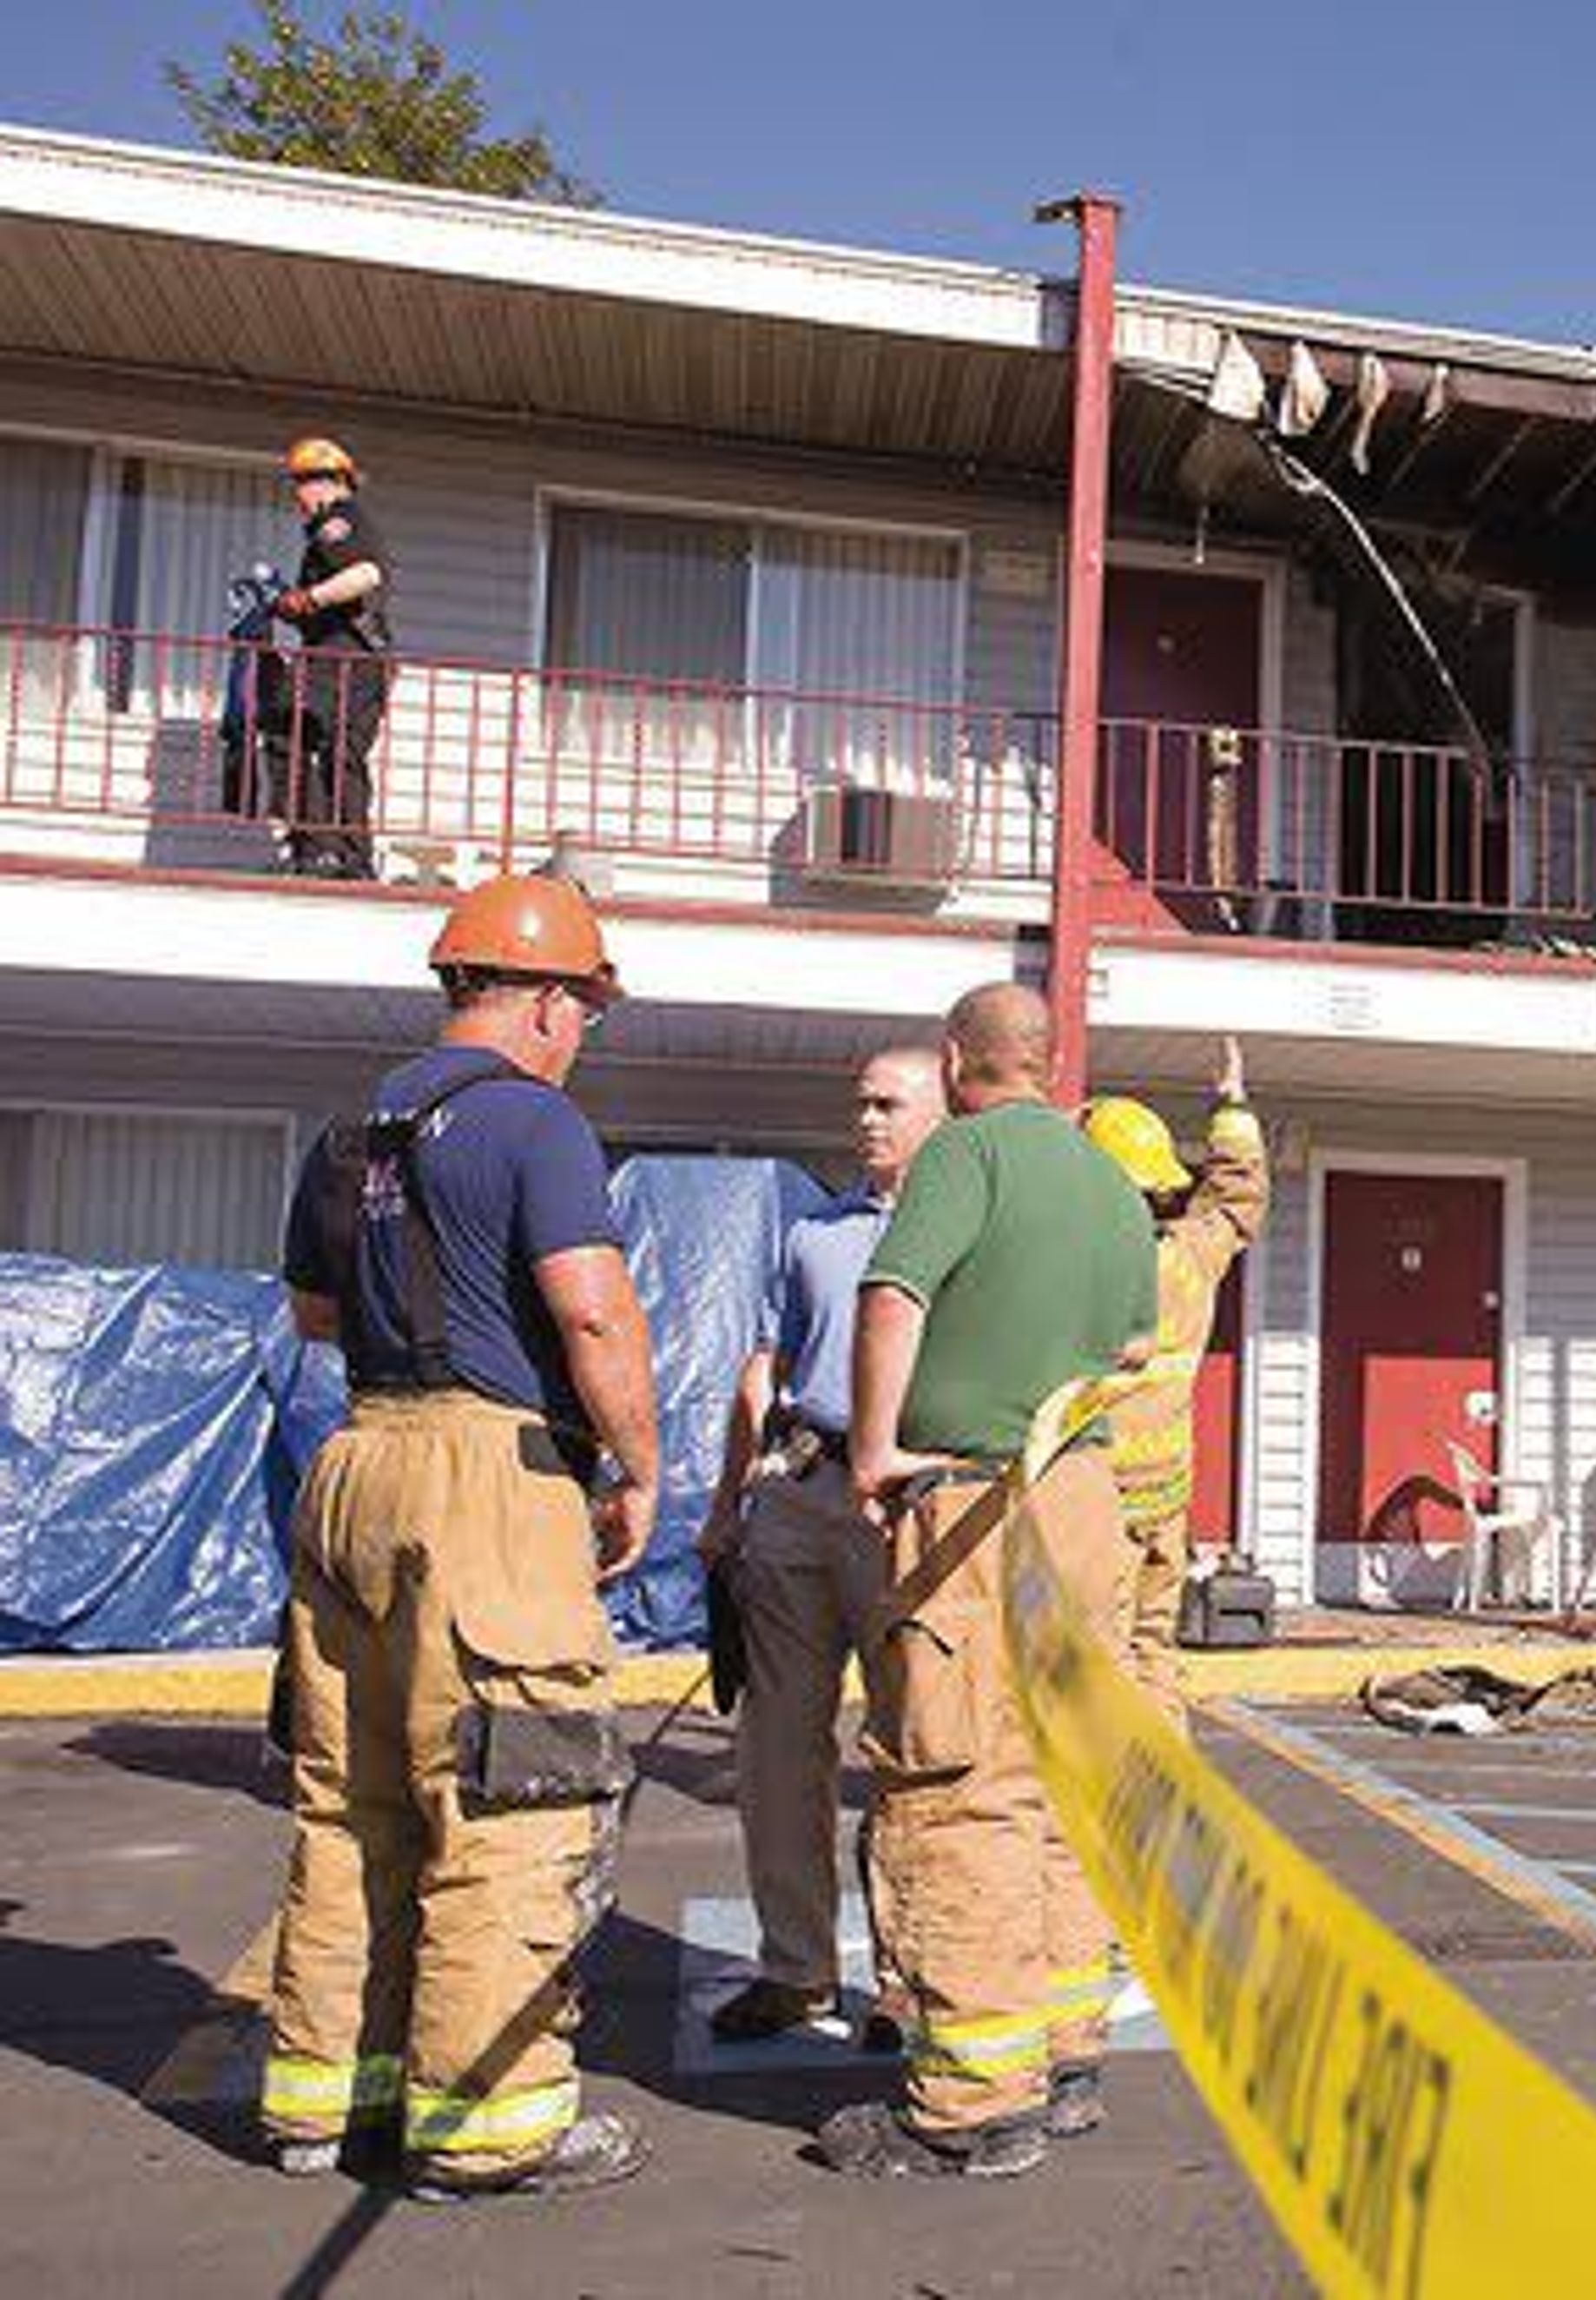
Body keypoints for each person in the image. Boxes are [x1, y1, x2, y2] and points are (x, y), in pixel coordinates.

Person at [263, 872, 657, 2200]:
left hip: (354, 1463)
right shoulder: (536, 1127)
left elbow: (317, 1317)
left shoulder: (350, 1133)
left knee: (351, 1800)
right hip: (486, 1481)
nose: (583, 1033)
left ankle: (326, 2100)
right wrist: (641, 1467)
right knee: (506, 1798)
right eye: (584, 1008)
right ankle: (488, 2128)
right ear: (546, 1000)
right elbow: (593, 1315)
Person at [822, 982, 1157, 2179]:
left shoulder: (966, 1153)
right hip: (1082, 1501)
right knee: (1058, 1777)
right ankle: (1065, 2054)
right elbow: (1129, 1346)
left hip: (971, 1501)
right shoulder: (1110, 1184)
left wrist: (872, 1448)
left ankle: (970, 2101)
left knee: (955, 1783)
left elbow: (893, 1291)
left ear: (960, 1062)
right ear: (1051, 1061)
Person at [696, 1048, 943, 2046]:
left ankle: (906, 1978)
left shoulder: (963, 1233)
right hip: (797, 1494)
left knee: (910, 1752)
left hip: (905, 1511)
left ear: (940, 1114)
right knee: (776, 1751)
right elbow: (765, 1372)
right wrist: (726, 1508)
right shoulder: (812, 1231)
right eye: (861, 1102)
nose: (867, 1119)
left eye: (889, 1104)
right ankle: (794, 1969)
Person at [1078, 1034, 1270, 1732]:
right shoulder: (1192, 1253)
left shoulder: (1080, 1270)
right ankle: (1163, 1768)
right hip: (1167, 1494)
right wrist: (1232, 1106)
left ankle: (1105, 1783)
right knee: (1152, 1644)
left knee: (1096, 1645)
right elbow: (1237, 1198)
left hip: (1095, 1493)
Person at [273, 437, 394, 881]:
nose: (297, 498)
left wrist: (307, 599)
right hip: (363, 659)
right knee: (344, 753)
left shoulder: (337, 521)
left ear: (325, 483)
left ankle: (317, 847)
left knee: (287, 733)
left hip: (341, 656)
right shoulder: (344, 525)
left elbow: (366, 574)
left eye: (300, 485)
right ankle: (351, 857)